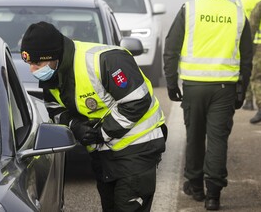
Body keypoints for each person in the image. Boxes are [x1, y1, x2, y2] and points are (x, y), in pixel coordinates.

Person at [20, 21, 167, 212]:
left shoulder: (107, 60)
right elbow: (55, 109)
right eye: (30, 64)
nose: (33, 70)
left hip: (138, 148)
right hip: (104, 154)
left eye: (37, 63)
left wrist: (102, 132)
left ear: (54, 56)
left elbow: (137, 101)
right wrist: (76, 126)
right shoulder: (53, 74)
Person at [163, 0, 253, 210]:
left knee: (194, 136)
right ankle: (213, 194)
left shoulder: (190, 9)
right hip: (224, 88)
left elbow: (171, 48)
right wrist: (242, 89)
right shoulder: (237, 13)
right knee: (217, 139)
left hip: (194, 86)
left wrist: (171, 83)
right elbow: (247, 57)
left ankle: (195, 185)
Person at [236, 0, 261, 111]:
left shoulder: (239, 2)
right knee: (259, 73)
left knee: (246, 69)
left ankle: (249, 101)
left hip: (245, 42)